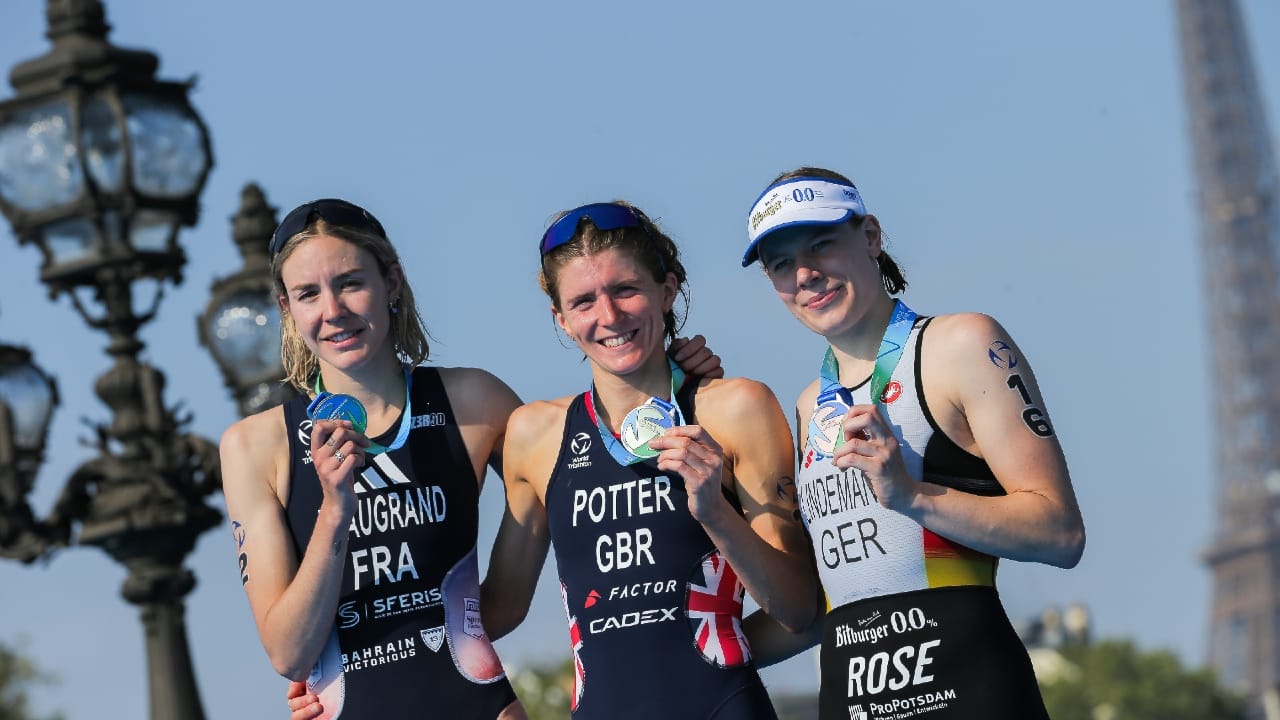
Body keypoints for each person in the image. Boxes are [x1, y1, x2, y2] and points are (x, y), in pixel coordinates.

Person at [225, 199, 723, 720]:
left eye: (351, 282)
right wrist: (334, 511)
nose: (333, 310)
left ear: (392, 281)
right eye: (308, 294)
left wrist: (678, 386)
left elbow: (610, 473)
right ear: (287, 308)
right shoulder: (257, 446)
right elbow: (289, 652)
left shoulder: (475, 402)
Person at [741, 167, 1086, 719]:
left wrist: (911, 494)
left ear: (871, 236)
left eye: (822, 244)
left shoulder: (962, 343)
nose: (805, 273)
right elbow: (830, 605)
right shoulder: (811, 405)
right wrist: (676, 658)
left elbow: (1061, 533)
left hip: (967, 698)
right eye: (781, 263)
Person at [479, 201, 817, 720]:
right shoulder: (534, 435)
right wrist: (338, 661)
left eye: (625, 290)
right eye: (584, 301)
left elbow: (798, 608)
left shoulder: (736, 409)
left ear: (667, 289)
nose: (609, 316)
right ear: (562, 319)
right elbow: (495, 610)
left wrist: (715, 512)